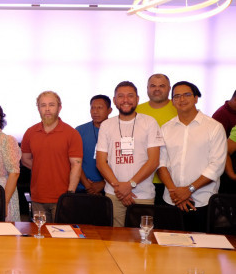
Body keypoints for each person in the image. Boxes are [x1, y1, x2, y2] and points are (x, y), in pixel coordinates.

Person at [157, 81, 226, 232]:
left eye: (187, 95)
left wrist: (189, 189)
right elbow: (160, 164)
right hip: (171, 200)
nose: (182, 99)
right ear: (172, 102)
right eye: (177, 96)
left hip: (202, 201)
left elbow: (217, 166)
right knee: (169, 249)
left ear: (196, 98)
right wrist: (175, 192)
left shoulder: (214, 127)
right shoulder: (166, 128)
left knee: (200, 252)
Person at [96, 81, 164, 227]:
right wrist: (119, 188)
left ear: (137, 99)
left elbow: (153, 161)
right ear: (114, 100)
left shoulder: (149, 123)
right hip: (114, 194)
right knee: (115, 241)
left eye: (130, 96)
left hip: (143, 194)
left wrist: (130, 185)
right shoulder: (106, 125)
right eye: (120, 96)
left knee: (143, 239)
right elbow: (101, 162)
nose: (125, 100)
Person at [21, 91, 82, 222]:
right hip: (37, 197)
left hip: (62, 198)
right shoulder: (30, 132)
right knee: (40, 236)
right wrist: (43, 167)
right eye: (43, 105)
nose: (47, 109)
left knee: (61, 238)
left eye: (51, 105)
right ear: (38, 108)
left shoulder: (71, 133)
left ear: (59, 108)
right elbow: (25, 159)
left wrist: (69, 195)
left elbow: (76, 165)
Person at [136, 73, 177, 205]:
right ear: (147, 88)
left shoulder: (179, 109)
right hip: (140, 179)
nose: (157, 89)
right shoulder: (136, 110)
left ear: (169, 89)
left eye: (162, 86)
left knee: (167, 222)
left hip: (171, 179)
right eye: (153, 86)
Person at [75, 95, 112, 194]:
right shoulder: (79, 131)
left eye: (100, 108)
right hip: (83, 188)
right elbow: (75, 162)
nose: (95, 111)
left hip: (111, 188)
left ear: (110, 110)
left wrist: (103, 183)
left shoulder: (117, 130)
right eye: (92, 108)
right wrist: (87, 185)